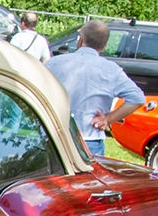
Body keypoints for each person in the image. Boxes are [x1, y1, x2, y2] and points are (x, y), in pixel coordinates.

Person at [46, 19, 145, 156]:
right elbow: (137, 98)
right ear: (104, 46)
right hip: (90, 139)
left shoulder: (54, 63)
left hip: (55, 136)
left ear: (80, 40)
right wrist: (108, 118)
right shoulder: (111, 70)